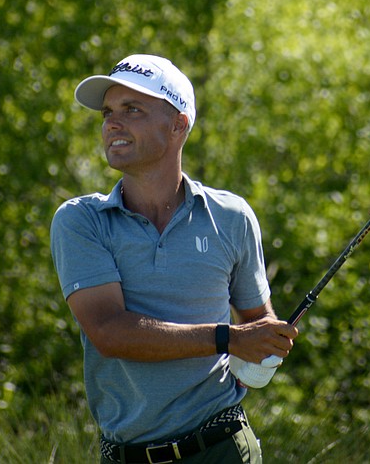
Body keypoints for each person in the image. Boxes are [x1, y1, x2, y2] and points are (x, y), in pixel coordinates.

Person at [50, 53, 298, 463]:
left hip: (223, 448)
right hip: (126, 455)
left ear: (179, 125)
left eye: (132, 109)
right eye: (108, 112)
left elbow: (257, 323)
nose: (112, 123)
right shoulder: (80, 220)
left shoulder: (231, 216)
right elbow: (109, 333)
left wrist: (266, 343)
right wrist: (230, 339)